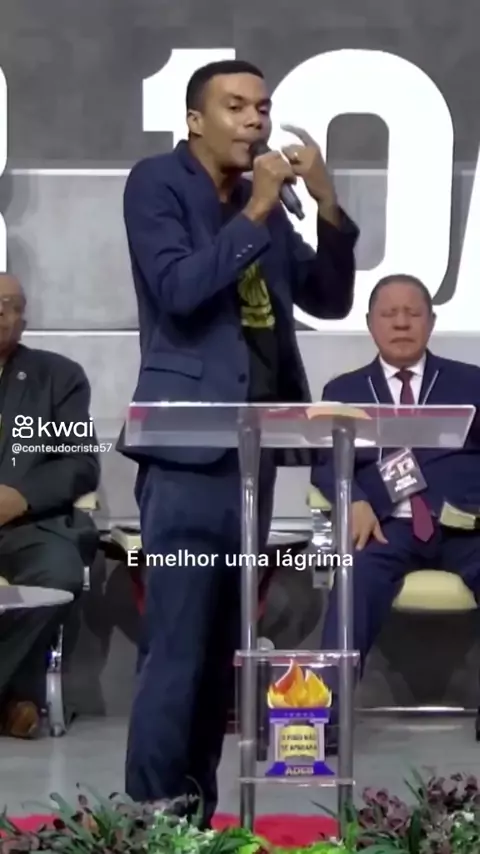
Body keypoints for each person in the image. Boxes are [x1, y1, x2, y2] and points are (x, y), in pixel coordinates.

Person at [118, 58, 359, 824]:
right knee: (178, 648)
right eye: (237, 105)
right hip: (187, 456)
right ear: (196, 120)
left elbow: (329, 297)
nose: (257, 119)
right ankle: (151, 819)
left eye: (263, 106)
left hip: (253, 459)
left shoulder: (270, 204)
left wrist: (325, 203)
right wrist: (257, 210)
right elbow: (180, 291)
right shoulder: (158, 184)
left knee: (224, 650)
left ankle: (195, 814)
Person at [312, 273, 480, 745]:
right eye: (389, 314)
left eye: (412, 313)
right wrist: (355, 498)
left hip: (465, 526)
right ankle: (325, 722)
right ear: (371, 324)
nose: (401, 323)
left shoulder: (471, 382)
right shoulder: (344, 390)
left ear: (431, 322)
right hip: (385, 528)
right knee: (354, 582)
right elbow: (325, 465)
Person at [0, 273, 100, 738]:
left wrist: (21, 496)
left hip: (29, 526)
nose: (2, 313)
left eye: (12, 305)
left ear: (24, 319)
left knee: (60, 573)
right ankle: (11, 703)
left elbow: (81, 462)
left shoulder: (57, 377)